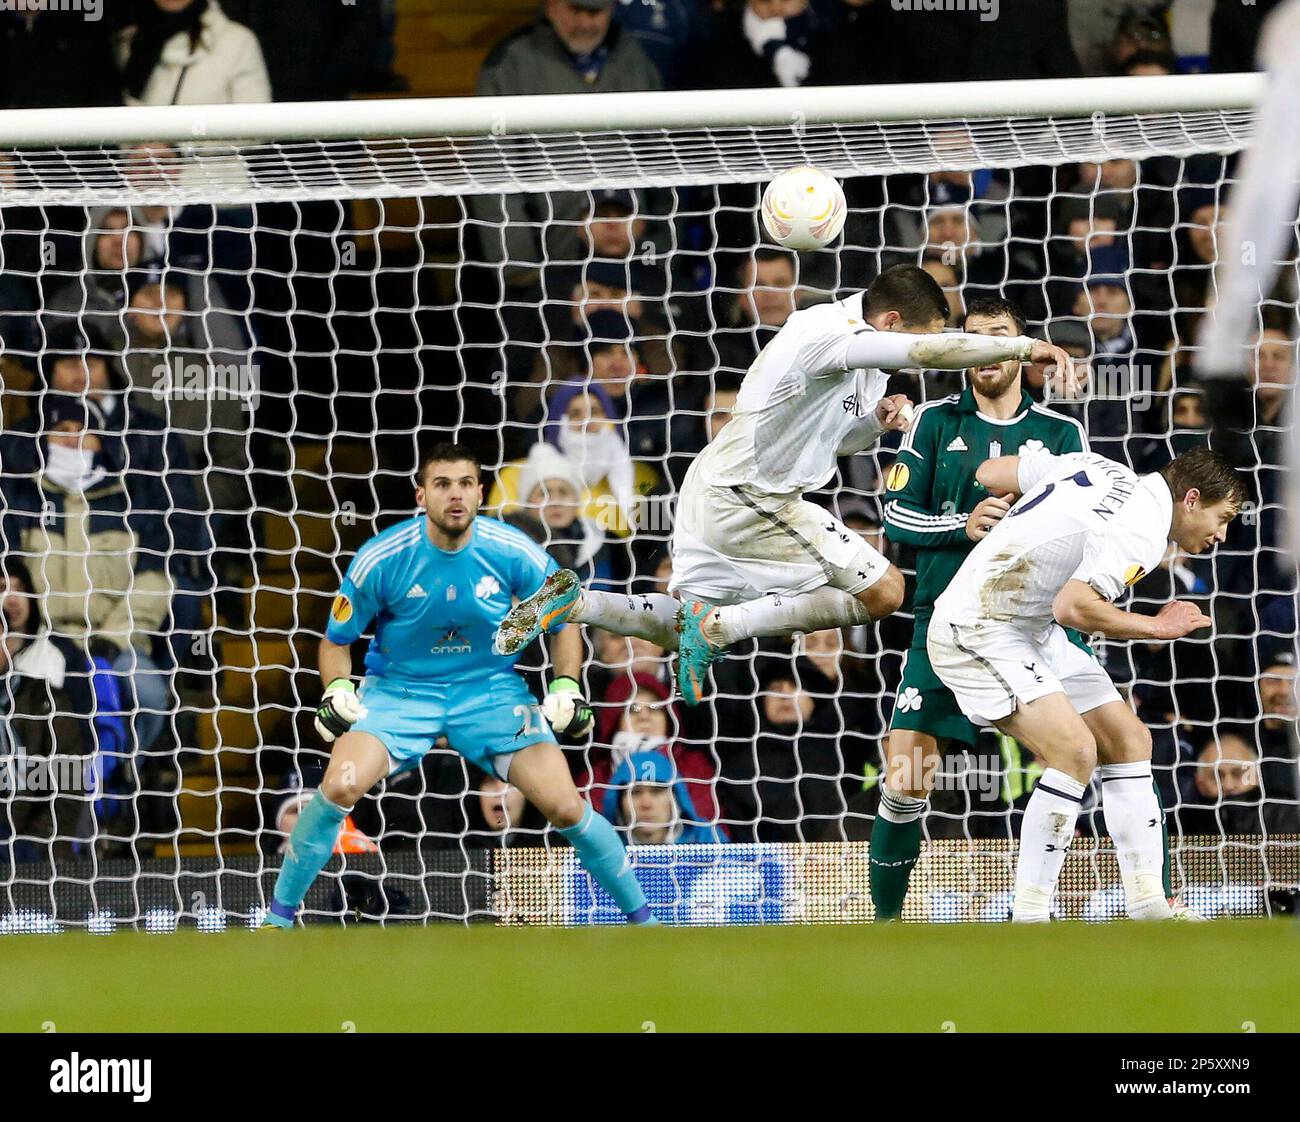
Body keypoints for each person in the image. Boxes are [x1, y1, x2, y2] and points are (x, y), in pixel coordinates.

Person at [496, 265, 1078, 707]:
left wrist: (875, 422)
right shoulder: (823, 329)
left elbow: (835, 440)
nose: (911, 361)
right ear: (893, 324)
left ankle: (577, 602)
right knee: (885, 593)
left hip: (718, 488)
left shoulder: (867, 364)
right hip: (752, 496)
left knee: (678, 620)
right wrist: (1026, 347)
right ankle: (724, 626)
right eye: (911, 342)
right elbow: (927, 350)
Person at [261, 442, 658, 928]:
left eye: (465, 484)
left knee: (564, 805)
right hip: (400, 691)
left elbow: (565, 615)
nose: (455, 495)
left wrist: (565, 687)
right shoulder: (381, 557)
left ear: (479, 492)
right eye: (443, 484)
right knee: (338, 788)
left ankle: (646, 923)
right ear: (420, 495)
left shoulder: (510, 548)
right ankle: (277, 921)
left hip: (489, 691)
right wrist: (338, 688)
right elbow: (335, 640)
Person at [926, 446, 1246, 921]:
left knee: (1130, 740)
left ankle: (1148, 905)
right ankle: (1029, 917)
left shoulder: (1095, 465)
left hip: (1030, 627)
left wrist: (1024, 519)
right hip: (979, 627)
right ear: (1192, 499)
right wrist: (1159, 626)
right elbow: (1073, 608)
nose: (1221, 535)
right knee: (1075, 751)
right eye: (1221, 519)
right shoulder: (1141, 528)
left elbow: (989, 470)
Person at [870, 295, 1090, 920]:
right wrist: (960, 526)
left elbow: (1080, 523)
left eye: (999, 335)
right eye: (973, 336)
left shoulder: (1060, 433)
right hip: (941, 625)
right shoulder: (933, 421)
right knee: (906, 779)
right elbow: (895, 515)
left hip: (1029, 629)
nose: (986, 346)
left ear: (1022, 348)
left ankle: (1121, 902)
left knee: (1102, 744)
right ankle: (884, 923)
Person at [115, 0, 271, 107]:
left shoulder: (238, 42)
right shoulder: (125, 42)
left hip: (212, 156)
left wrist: (180, 149)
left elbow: (257, 124)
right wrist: (134, 148)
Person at [600, 749, 726, 845]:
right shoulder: (599, 845)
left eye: (656, 792)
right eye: (635, 792)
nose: (646, 804)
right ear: (618, 800)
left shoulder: (706, 837)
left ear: (676, 798)